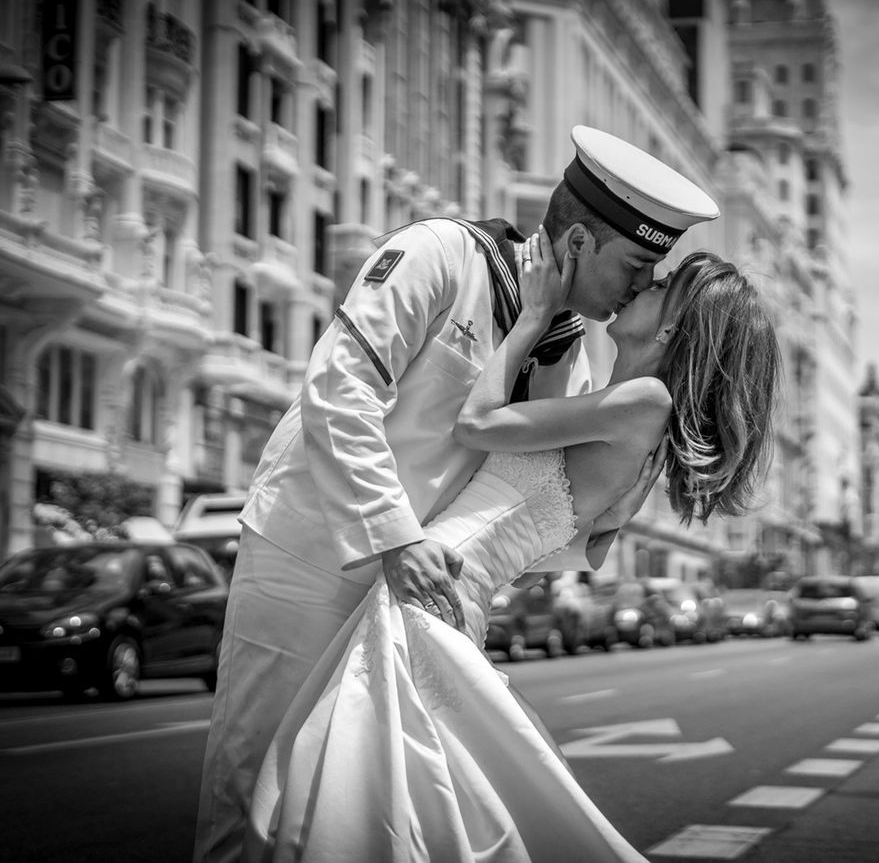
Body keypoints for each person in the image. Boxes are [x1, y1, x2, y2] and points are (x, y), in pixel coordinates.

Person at [194, 126, 722, 862]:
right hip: (311, 557)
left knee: (376, 813)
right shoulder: (440, 253)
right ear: (575, 243)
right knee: (257, 794)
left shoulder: (568, 356)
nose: (641, 285)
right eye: (636, 264)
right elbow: (339, 387)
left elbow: (518, 496)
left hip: (416, 595)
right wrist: (394, 535)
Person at [244, 241, 780, 861]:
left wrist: (533, 314)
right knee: (398, 795)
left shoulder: (644, 403)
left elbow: (476, 426)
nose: (642, 285)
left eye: (661, 288)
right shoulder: (628, 407)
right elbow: (581, 545)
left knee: (362, 796)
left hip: (427, 591)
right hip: (445, 589)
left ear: (673, 330)